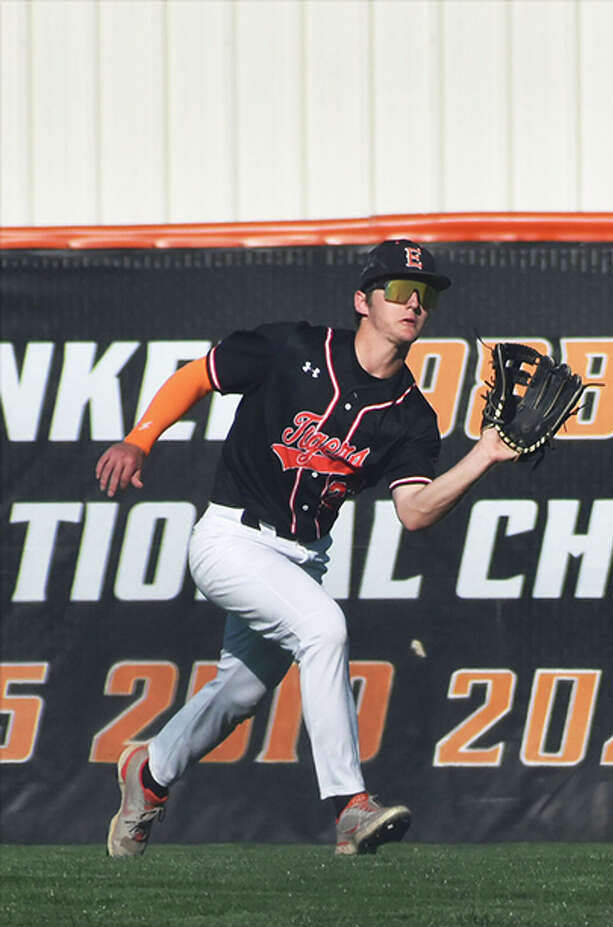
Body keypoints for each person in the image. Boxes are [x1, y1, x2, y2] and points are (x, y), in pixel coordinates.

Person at [97, 239, 518, 856]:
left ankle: (150, 773)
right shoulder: (292, 348)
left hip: (302, 557)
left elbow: (416, 512)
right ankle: (349, 806)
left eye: (424, 296)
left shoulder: (411, 417)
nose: (413, 304)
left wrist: (484, 454)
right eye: (398, 290)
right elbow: (200, 374)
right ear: (362, 301)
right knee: (324, 629)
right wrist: (141, 439)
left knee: (238, 693)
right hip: (232, 538)